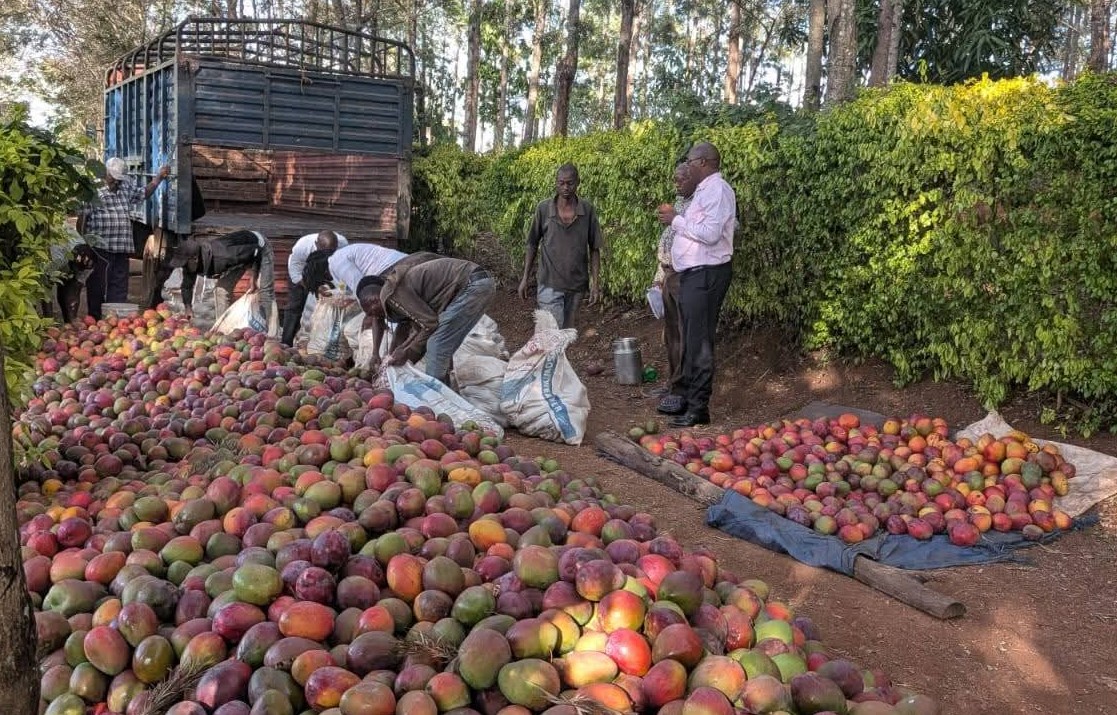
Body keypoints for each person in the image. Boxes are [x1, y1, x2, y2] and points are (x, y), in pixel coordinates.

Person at [655, 142, 736, 427]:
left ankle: (699, 409)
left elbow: (710, 234)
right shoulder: (703, 191)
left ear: (703, 162)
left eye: (690, 161)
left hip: (707, 275)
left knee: (699, 342)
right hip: (693, 274)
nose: (687, 166)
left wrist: (676, 220)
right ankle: (688, 401)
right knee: (690, 340)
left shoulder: (718, 191)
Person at [356, 256, 495, 385]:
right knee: (441, 342)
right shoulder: (392, 296)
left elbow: (430, 324)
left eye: (371, 313)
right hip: (476, 282)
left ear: (374, 301)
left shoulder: (392, 295)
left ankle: (436, 394)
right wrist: (391, 355)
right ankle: (446, 390)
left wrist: (408, 352)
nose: (374, 317)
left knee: (436, 343)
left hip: (471, 285)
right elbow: (410, 328)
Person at [77, 158, 170, 319]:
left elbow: (143, 193)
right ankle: (96, 319)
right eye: (113, 177)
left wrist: (158, 178)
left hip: (122, 247)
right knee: (98, 285)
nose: (115, 181)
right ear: (105, 172)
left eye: (118, 178)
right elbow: (81, 221)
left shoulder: (125, 186)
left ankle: (115, 319)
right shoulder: (92, 191)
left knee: (119, 286)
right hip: (101, 249)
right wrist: (87, 245)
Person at [518, 163, 603, 329]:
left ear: (578, 182)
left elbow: (594, 248)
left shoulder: (587, 210)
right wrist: (525, 278)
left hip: (577, 284)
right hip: (549, 283)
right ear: (556, 183)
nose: (565, 188)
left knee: (567, 333)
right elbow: (532, 244)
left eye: (570, 183)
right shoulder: (544, 209)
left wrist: (595, 284)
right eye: (561, 183)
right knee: (553, 333)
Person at [651, 161, 699, 416]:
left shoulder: (701, 203)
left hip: (685, 275)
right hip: (670, 273)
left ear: (695, 178)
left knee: (683, 333)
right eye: (674, 179)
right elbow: (669, 242)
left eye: (681, 179)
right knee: (671, 335)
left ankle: (682, 390)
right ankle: (673, 383)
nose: (676, 184)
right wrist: (659, 276)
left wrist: (677, 219)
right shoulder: (680, 201)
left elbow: (725, 229)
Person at [168, 230, 275, 324]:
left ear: (195, 259)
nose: (183, 267)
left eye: (184, 264)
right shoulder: (191, 263)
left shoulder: (224, 256)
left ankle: (271, 330)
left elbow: (256, 252)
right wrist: (188, 308)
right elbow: (187, 286)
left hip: (259, 247)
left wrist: (254, 276)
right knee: (221, 291)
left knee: (264, 291)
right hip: (242, 255)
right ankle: (222, 329)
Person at [282, 230, 349, 345]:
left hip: (326, 273)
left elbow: (343, 271)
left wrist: (337, 290)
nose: (328, 254)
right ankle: (286, 342)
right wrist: (314, 288)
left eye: (331, 251)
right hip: (303, 273)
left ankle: (319, 342)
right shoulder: (302, 247)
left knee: (328, 308)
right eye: (325, 252)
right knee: (295, 305)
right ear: (316, 244)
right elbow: (296, 275)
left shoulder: (343, 245)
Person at [327, 242, 407, 296]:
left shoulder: (336, 261)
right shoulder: (343, 253)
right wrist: (332, 292)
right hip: (404, 258)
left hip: (391, 269)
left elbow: (360, 288)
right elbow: (343, 288)